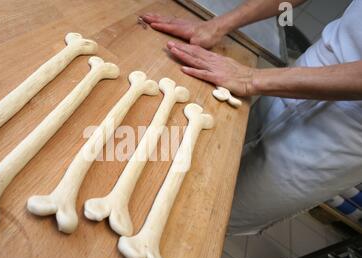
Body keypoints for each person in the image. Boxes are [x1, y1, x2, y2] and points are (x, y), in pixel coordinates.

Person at [141, 0, 362, 235]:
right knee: (194, 161)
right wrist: (217, 25)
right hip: (298, 76)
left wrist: (250, 79)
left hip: (340, 141)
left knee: (206, 218)